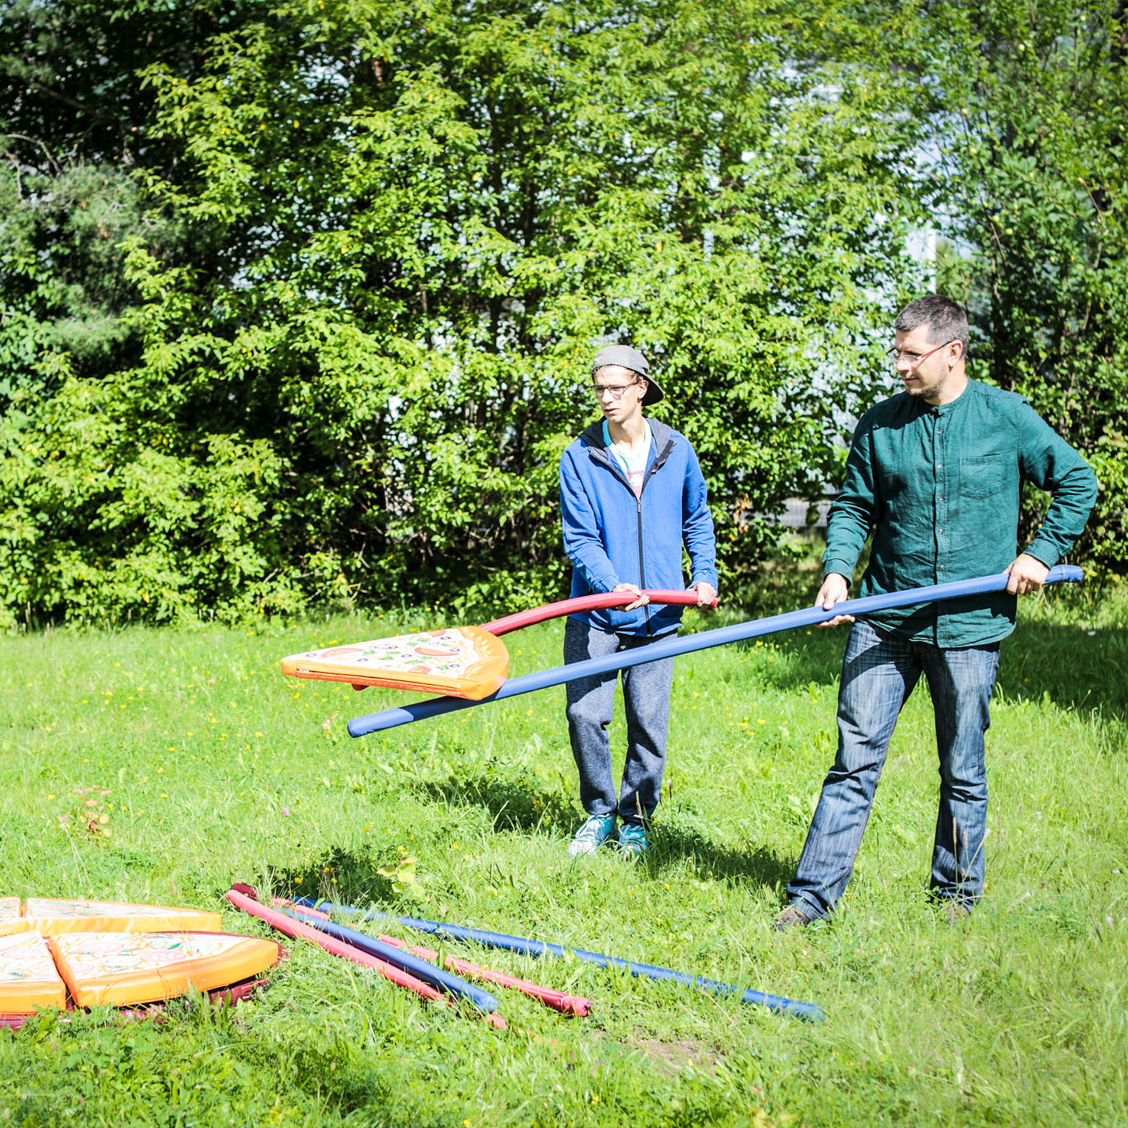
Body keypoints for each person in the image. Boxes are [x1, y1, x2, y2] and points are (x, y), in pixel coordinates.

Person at [776, 294, 1097, 926]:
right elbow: (854, 507)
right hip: (885, 620)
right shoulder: (881, 423)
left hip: (970, 625)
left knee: (963, 768)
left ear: (952, 353)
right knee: (853, 763)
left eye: (911, 354)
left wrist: (1040, 552)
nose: (899, 365)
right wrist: (839, 570)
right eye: (895, 351)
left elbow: (1076, 481)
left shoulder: (1004, 418)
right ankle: (810, 900)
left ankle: (954, 899)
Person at [558, 344, 718, 858]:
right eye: (599, 388)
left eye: (616, 388)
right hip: (597, 613)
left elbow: (697, 519)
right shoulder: (580, 455)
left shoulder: (676, 450)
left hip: (661, 615)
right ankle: (600, 812)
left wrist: (705, 575)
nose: (606, 398)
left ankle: (636, 819)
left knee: (648, 723)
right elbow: (580, 538)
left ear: (641, 388)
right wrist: (611, 583)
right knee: (586, 715)